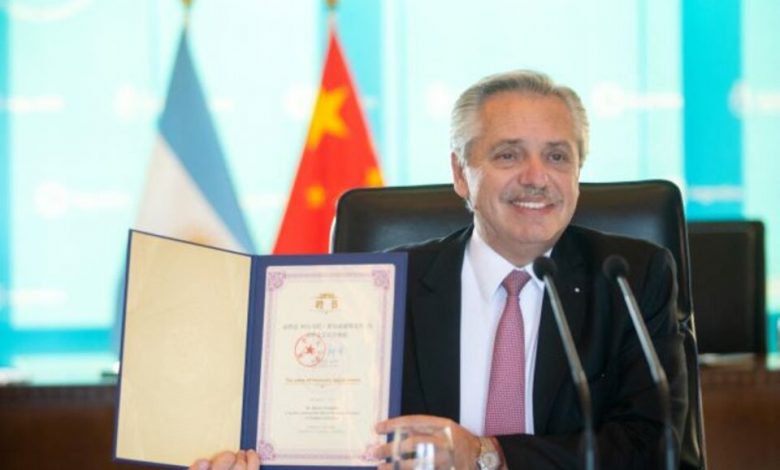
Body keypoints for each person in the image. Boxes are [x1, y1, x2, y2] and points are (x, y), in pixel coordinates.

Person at [192, 69, 688, 469]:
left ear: (578, 172)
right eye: (508, 154)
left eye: (557, 156)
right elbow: (332, 438)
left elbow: (653, 445)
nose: (536, 177)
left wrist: (487, 454)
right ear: (460, 173)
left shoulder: (629, 279)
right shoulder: (385, 286)